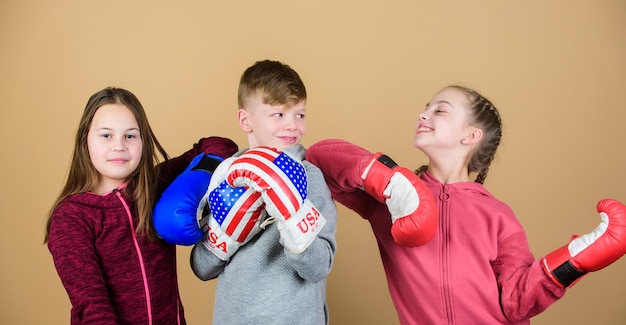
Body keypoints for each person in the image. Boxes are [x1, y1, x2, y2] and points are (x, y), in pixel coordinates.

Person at [305, 85, 626, 324]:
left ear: (471, 136)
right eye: (425, 107)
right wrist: (391, 181)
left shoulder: (498, 216)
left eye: (439, 110)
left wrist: (575, 260)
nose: (423, 114)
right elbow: (321, 158)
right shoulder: (392, 201)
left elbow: (517, 301)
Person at [44, 87, 238, 324]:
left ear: (143, 141)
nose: (119, 146)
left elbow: (220, 145)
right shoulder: (72, 217)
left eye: (130, 135)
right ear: (85, 140)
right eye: (106, 135)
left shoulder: (156, 186)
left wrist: (199, 178)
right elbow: (92, 307)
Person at [181, 59, 338, 324]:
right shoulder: (225, 177)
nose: (292, 125)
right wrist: (225, 236)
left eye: (299, 114)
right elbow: (202, 268)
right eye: (278, 114)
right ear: (245, 120)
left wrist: (293, 219)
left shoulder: (310, 177)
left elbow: (319, 267)